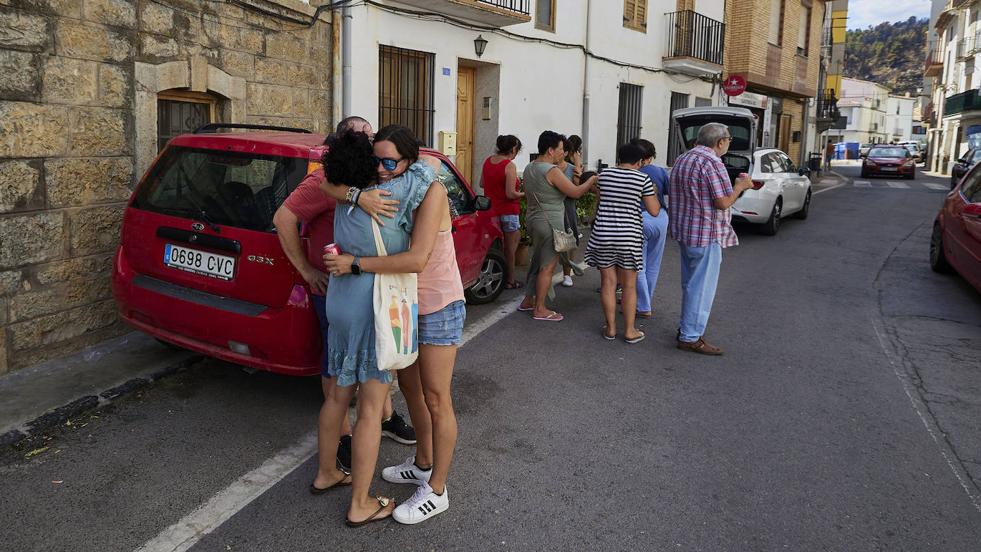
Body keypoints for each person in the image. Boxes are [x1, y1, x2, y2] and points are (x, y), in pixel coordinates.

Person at [326, 131, 465, 524]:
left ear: (409, 162)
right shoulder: (381, 185)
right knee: (411, 390)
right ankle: (423, 461)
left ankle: (437, 488)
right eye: (376, 161)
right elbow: (326, 182)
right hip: (403, 305)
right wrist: (356, 194)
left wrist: (355, 263)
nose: (382, 170)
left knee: (437, 398)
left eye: (391, 162)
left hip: (437, 304)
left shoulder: (430, 190)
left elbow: (417, 258)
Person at [274, 119, 415, 476]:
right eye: (363, 136)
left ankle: (383, 418)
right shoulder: (328, 180)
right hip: (337, 285)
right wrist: (307, 272)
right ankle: (348, 436)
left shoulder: (364, 180)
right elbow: (284, 217)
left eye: (371, 134)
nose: (371, 140)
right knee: (338, 369)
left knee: (363, 365)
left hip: (353, 285)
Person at [668, 123, 754, 355]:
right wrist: (741, 186)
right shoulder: (712, 162)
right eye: (728, 140)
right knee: (701, 288)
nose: (728, 143)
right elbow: (723, 202)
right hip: (705, 233)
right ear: (720, 142)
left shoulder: (683, 158)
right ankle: (690, 336)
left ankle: (687, 328)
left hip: (686, 231)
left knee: (691, 284)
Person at [583, 142, 660, 344]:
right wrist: (653, 191)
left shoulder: (604, 176)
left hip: (603, 233)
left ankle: (610, 328)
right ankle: (629, 330)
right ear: (639, 161)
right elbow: (654, 211)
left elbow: (600, 199)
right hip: (629, 237)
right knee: (628, 285)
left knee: (608, 282)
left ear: (619, 158)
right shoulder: (642, 178)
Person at [517, 131, 593, 321]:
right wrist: (591, 180)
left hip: (534, 219)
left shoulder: (529, 167)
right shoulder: (551, 170)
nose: (564, 153)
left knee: (537, 262)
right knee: (548, 267)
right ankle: (540, 308)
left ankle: (528, 300)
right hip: (551, 222)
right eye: (561, 149)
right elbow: (574, 192)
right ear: (550, 150)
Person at [629, 138, 670, 320]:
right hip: (660, 217)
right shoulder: (660, 171)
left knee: (638, 265)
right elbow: (669, 195)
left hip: (639, 219)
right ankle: (645, 301)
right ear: (650, 156)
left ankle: (643, 305)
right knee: (653, 264)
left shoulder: (631, 173)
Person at [480, 135, 524, 289]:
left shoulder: (487, 161)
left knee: (498, 245)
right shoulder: (509, 166)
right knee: (510, 249)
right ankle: (510, 280)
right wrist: (525, 193)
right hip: (508, 211)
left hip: (491, 210)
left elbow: (481, 183)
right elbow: (510, 194)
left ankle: (499, 274)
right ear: (513, 149)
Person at [557, 135, 590, 287]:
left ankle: (566, 272)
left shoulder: (572, 169)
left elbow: (577, 188)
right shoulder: (549, 168)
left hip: (568, 209)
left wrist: (578, 166)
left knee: (570, 241)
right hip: (553, 209)